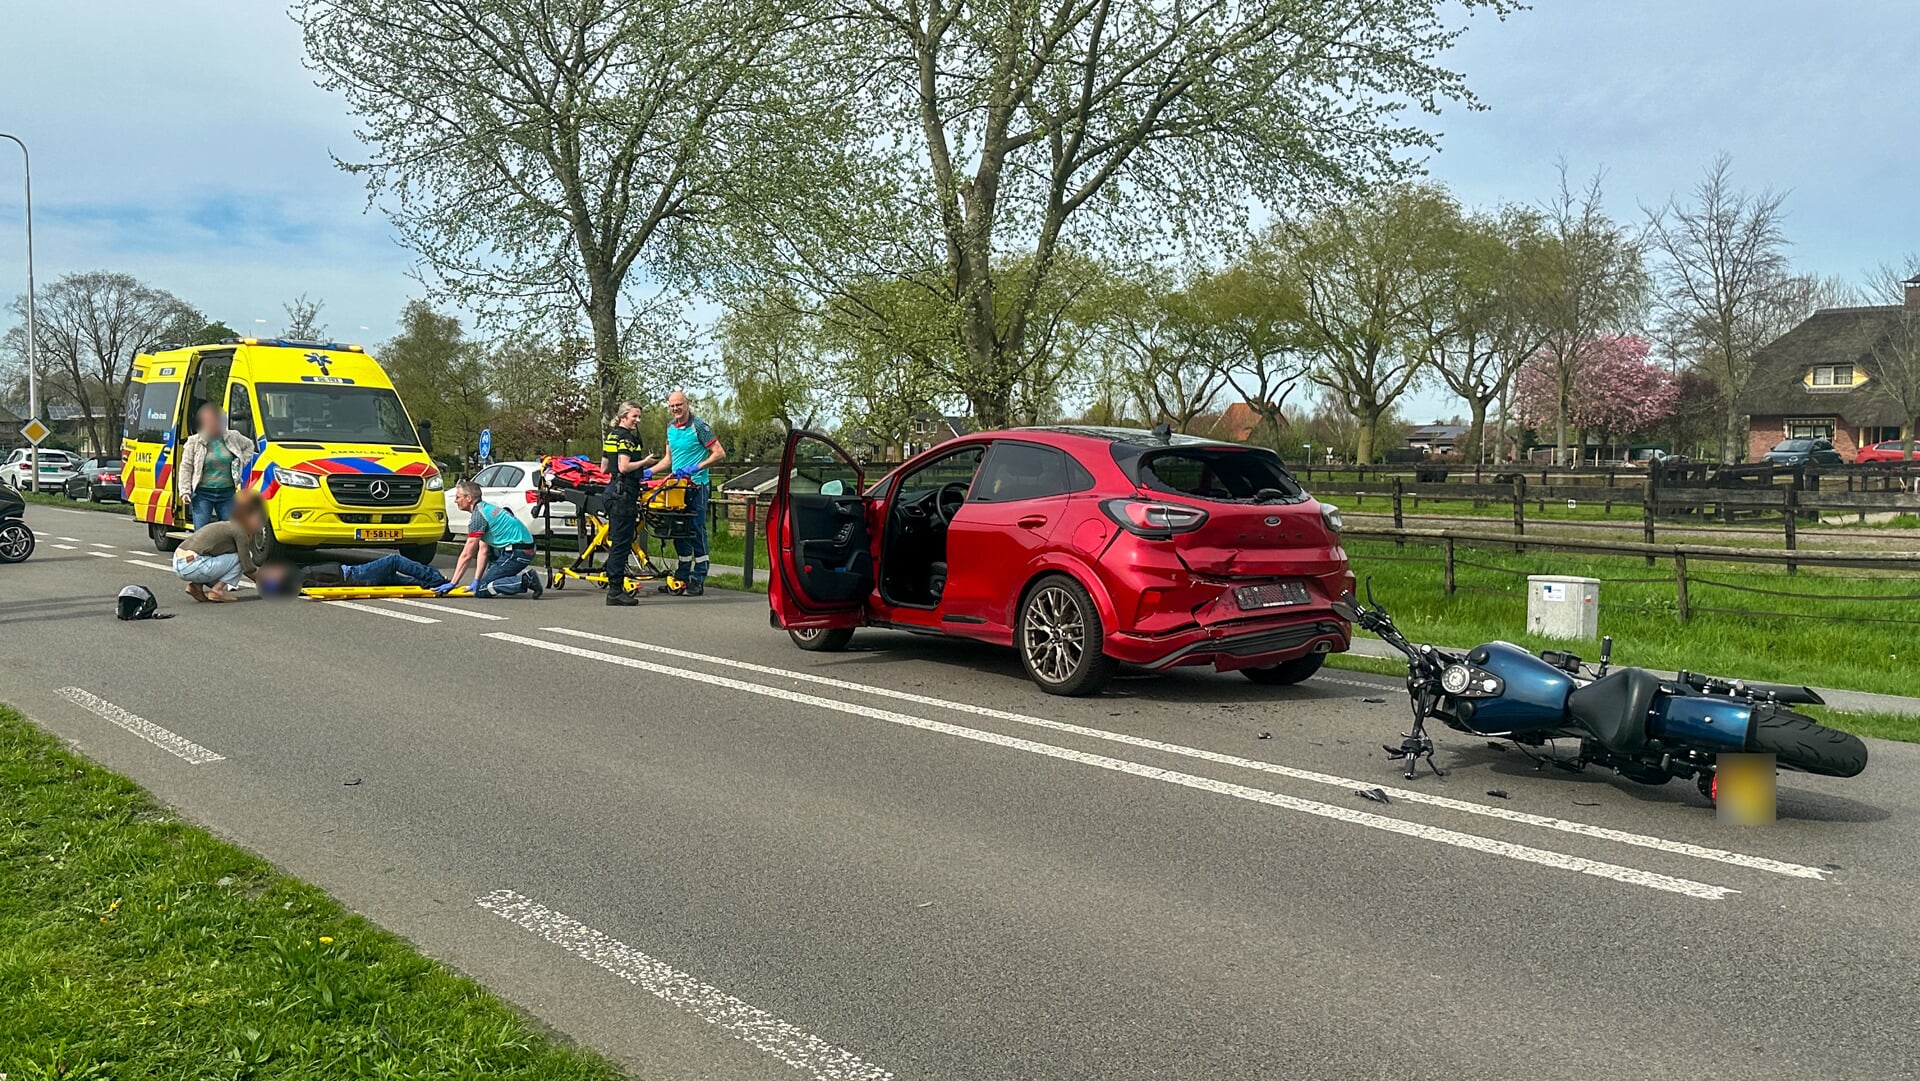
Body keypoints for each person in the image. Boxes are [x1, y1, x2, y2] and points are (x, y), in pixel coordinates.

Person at [653, 390, 726, 596]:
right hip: (677, 488)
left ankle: (699, 577)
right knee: (678, 530)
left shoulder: (699, 427)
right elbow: (668, 459)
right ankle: (681, 576)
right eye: (672, 405)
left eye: (679, 404)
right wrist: (649, 472)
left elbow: (719, 452)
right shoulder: (670, 428)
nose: (676, 409)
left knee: (695, 529)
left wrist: (697, 466)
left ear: (687, 404)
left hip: (697, 486)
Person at [599, 400, 657, 607]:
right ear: (624, 416)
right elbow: (624, 466)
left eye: (639, 416)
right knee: (621, 544)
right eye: (634, 416)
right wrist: (645, 463)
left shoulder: (612, 435)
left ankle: (615, 585)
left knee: (618, 541)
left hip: (612, 491)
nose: (638, 420)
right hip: (623, 495)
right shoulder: (625, 437)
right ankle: (615, 591)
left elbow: (604, 468)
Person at [445, 480, 543, 598]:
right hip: (522, 548)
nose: (456, 501)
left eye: (458, 497)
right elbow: (483, 550)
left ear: (469, 498)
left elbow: (467, 554)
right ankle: (509, 581)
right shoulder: (485, 509)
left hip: (517, 552)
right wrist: (476, 579)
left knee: (482, 589)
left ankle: (526, 580)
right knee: (487, 583)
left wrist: (452, 583)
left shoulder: (478, 517)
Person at [173, 490, 267, 602]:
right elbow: (247, 566)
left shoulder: (228, 526)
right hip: (193, 564)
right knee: (240, 558)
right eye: (257, 518)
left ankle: (196, 586)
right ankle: (217, 591)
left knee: (221, 557)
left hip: (179, 562)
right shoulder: (240, 531)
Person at [177, 402, 256, 528]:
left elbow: (249, 446)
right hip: (203, 494)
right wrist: (185, 491)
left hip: (227, 493)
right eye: (209, 421)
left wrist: (241, 462)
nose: (213, 424)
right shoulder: (194, 441)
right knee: (201, 533)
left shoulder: (233, 437)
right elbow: (186, 467)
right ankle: (201, 549)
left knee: (230, 531)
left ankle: (227, 549)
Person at [255, 552, 452, 596]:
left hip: (352, 573)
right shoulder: (297, 581)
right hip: (355, 575)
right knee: (394, 561)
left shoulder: (294, 576)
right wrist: (360, 586)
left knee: (401, 580)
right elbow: (328, 587)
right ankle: (434, 577)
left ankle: (432, 585)